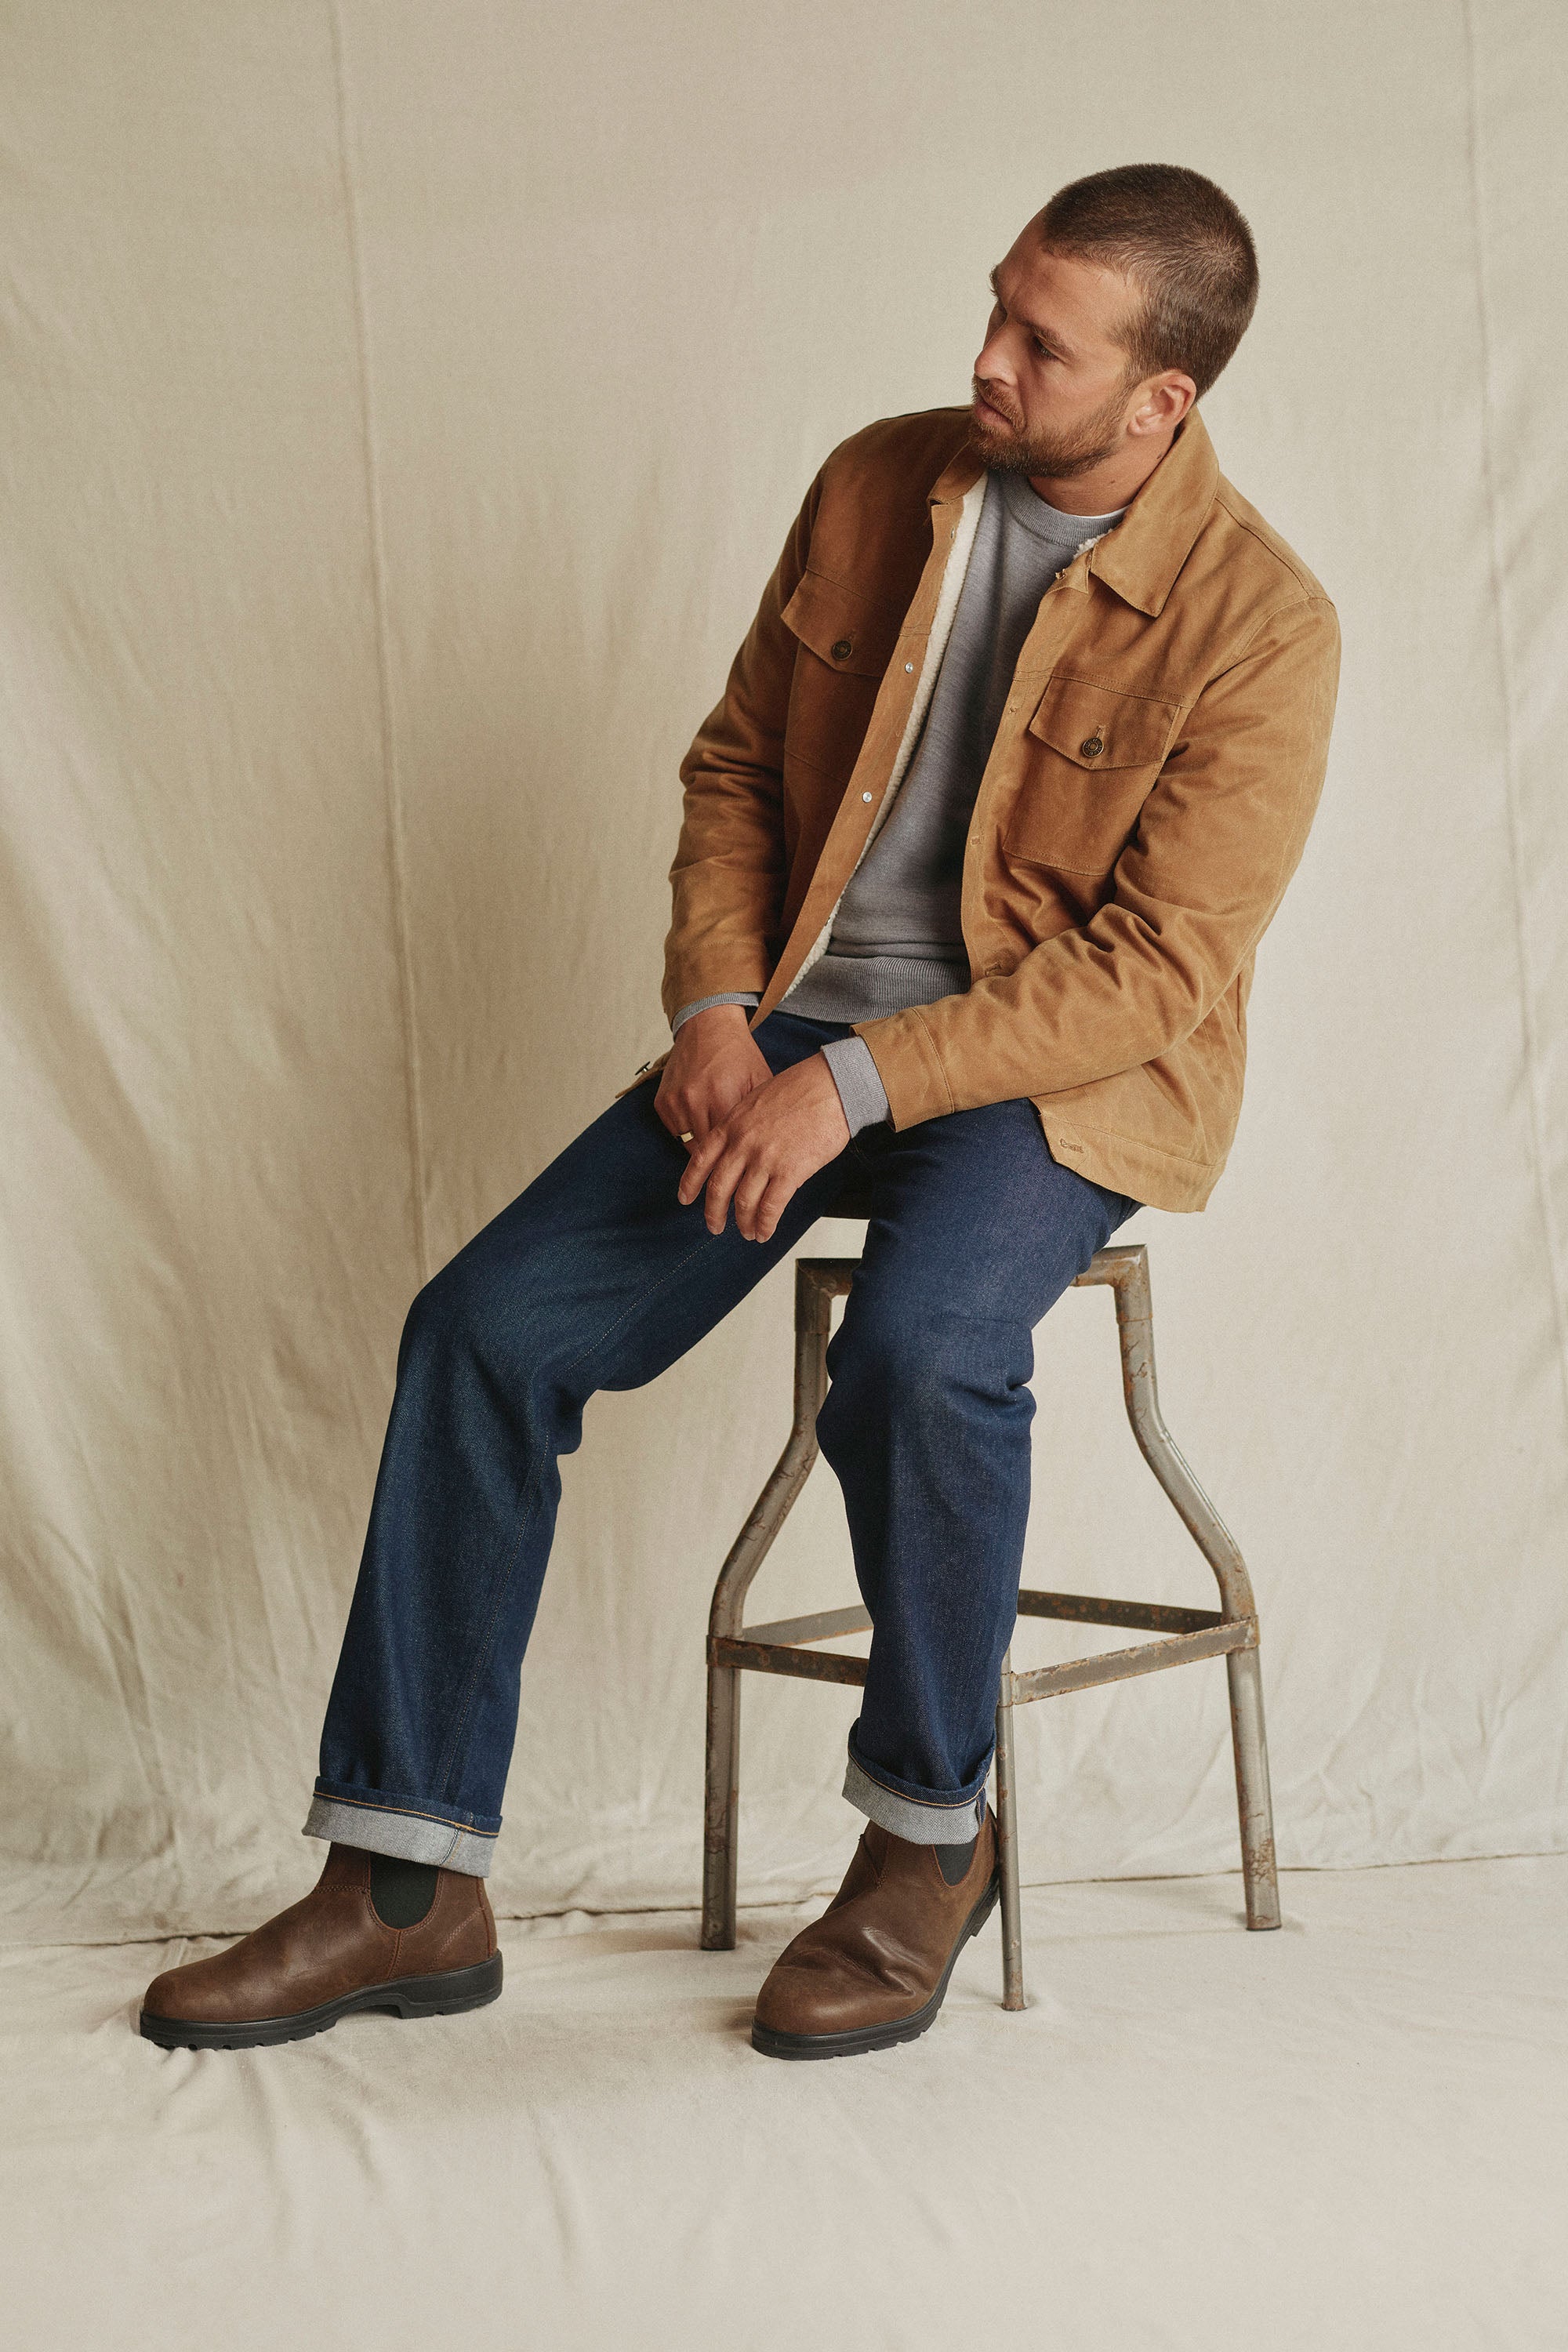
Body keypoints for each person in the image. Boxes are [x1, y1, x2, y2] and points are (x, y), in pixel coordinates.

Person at [140, 163, 1338, 2058]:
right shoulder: (880, 481)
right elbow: (733, 768)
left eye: (1044, 343)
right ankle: (405, 1887)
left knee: (921, 1357)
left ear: (1160, 395)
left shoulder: (1262, 623)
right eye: (996, 306)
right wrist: (716, 1007)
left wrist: (848, 1085)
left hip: (1046, 1079)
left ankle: (927, 1841)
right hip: (786, 1021)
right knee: (481, 1330)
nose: (989, 357)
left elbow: (1151, 971)